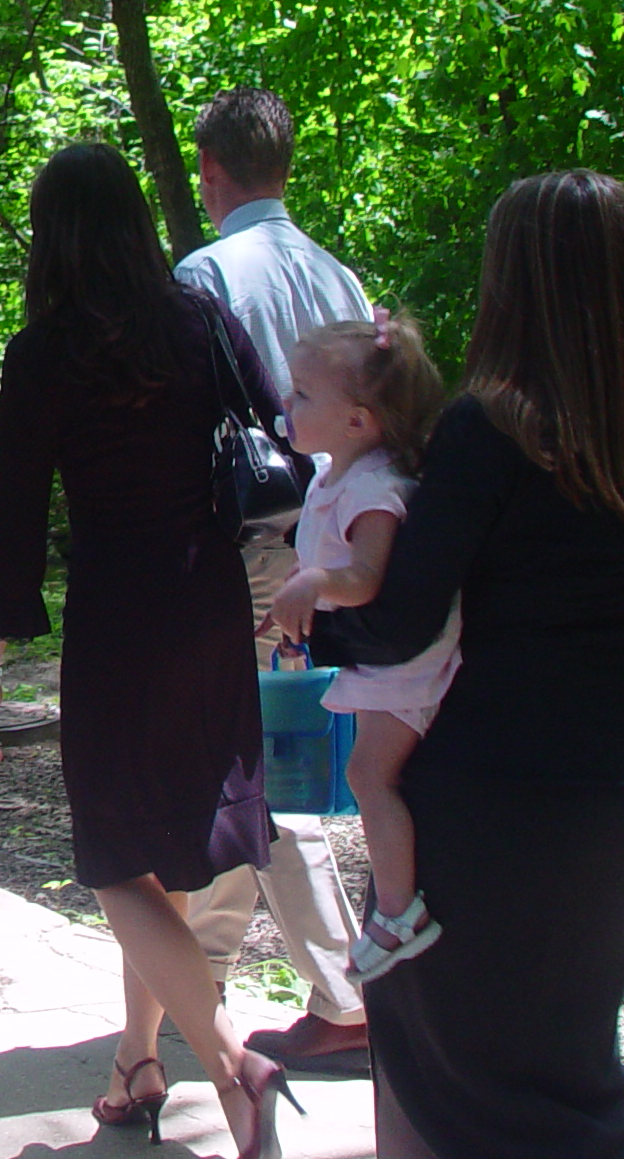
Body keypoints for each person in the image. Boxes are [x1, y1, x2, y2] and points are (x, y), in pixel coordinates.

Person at [315, 170, 624, 1159]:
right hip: (614, 785)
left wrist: (313, 629)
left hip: (485, 787)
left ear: (509, 281)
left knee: (441, 1051)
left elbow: (402, 621)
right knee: (570, 1061)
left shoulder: (489, 428)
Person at [0, 142, 299, 1157]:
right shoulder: (199, 318)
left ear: (51, 237)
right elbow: (283, 424)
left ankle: (236, 1067)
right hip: (205, 602)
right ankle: (136, 1064)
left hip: (117, 619)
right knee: (172, 850)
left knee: (117, 861)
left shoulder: (43, 353)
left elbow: (18, 523)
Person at [174, 89, 377, 1069]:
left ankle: (344, 994)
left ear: (210, 171)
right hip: (338, 547)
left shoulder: (202, 276)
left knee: (263, 764)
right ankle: (201, 970)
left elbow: (184, 436)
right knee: (249, 751)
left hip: (249, 550)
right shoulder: (342, 279)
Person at [261, 312, 455, 985]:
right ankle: (397, 904)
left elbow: (367, 577)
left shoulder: (374, 488)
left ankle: (400, 914)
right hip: (380, 660)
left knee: (369, 777)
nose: (289, 404)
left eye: (305, 395)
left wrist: (316, 584)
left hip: (409, 666)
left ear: (358, 421)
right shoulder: (333, 476)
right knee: (367, 776)